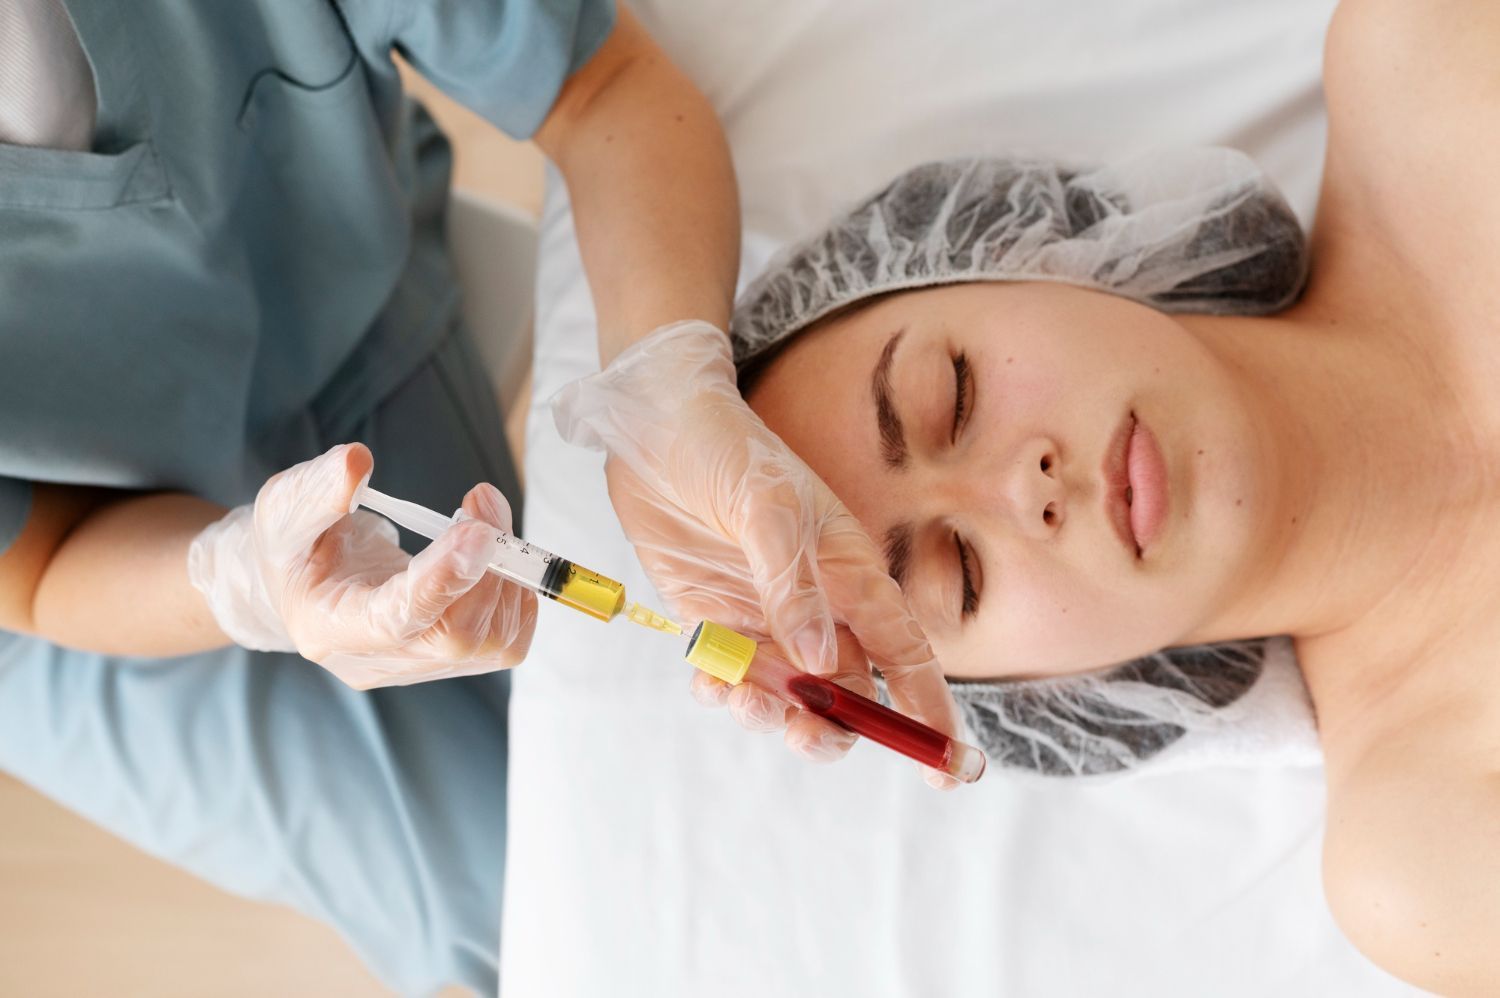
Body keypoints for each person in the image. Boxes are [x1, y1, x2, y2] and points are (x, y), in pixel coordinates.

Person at [0, 0, 956, 991]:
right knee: (538, 904)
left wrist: (669, 382)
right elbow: (38, 567)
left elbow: (600, 86)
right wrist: (242, 583)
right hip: (72, 555)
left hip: (339, 306)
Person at [578, 2, 1493, 993]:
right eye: (956, 572)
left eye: (953, 393)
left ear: (1044, 257)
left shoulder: (1429, 48)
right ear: (1047, 694)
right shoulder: (1425, 852)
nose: (1024, 486)